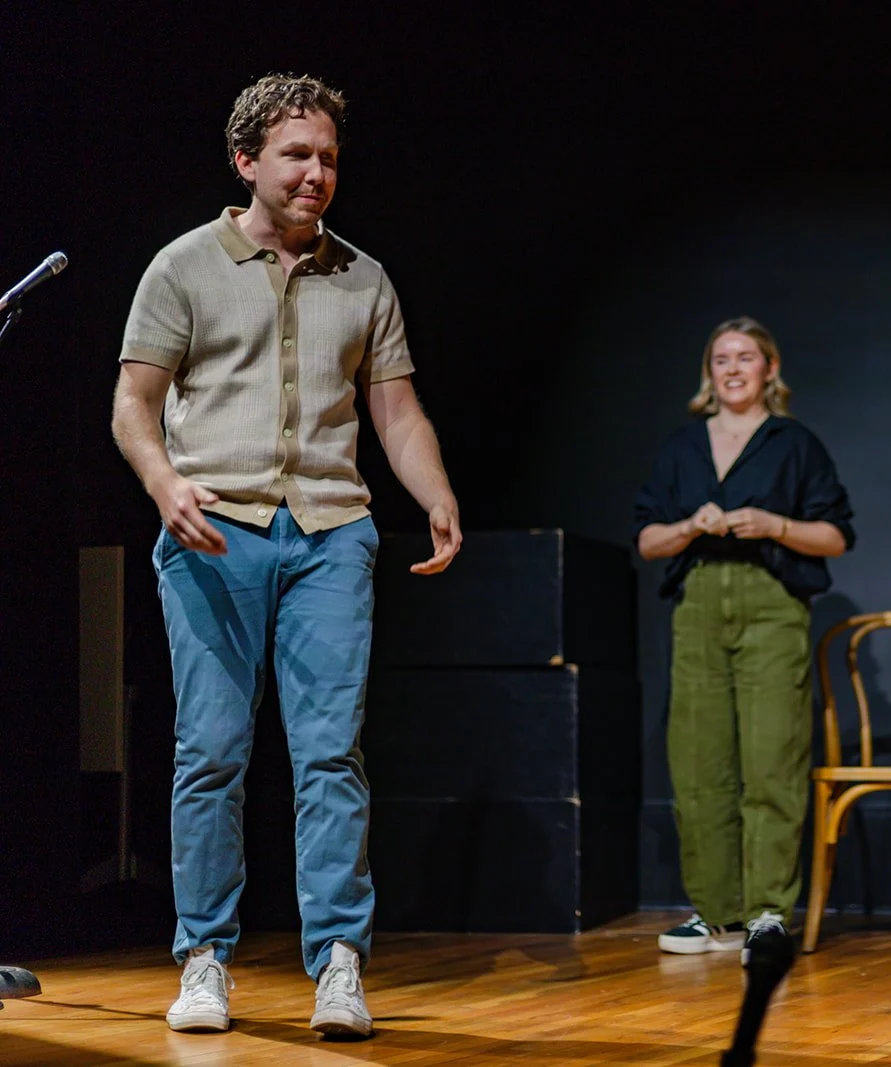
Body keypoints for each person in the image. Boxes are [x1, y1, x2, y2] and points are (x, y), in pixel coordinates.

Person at [111, 74, 462, 1038]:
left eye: (329, 158)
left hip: (330, 533)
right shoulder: (184, 266)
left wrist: (434, 492)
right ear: (247, 161)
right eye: (297, 155)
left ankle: (340, 961)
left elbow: (396, 411)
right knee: (211, 751)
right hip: (214, 529)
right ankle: (204, 957)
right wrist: (165, 484)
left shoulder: (364, 277)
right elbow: (134, 403)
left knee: (330, 754)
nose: (317, 173)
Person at [635, 317, 853, 963]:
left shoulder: (794, 443)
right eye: (721, 359)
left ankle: (767, 914)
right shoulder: (682, 446)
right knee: (698, 764)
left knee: (771, 761)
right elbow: (648, 540)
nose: (733, 369)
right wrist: (688, 526)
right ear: (709, 373)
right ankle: (716, 914)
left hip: (771, 606)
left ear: (770, 368)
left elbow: (836, 536)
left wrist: (773, 524)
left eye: (746, 357)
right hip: (699, 607)